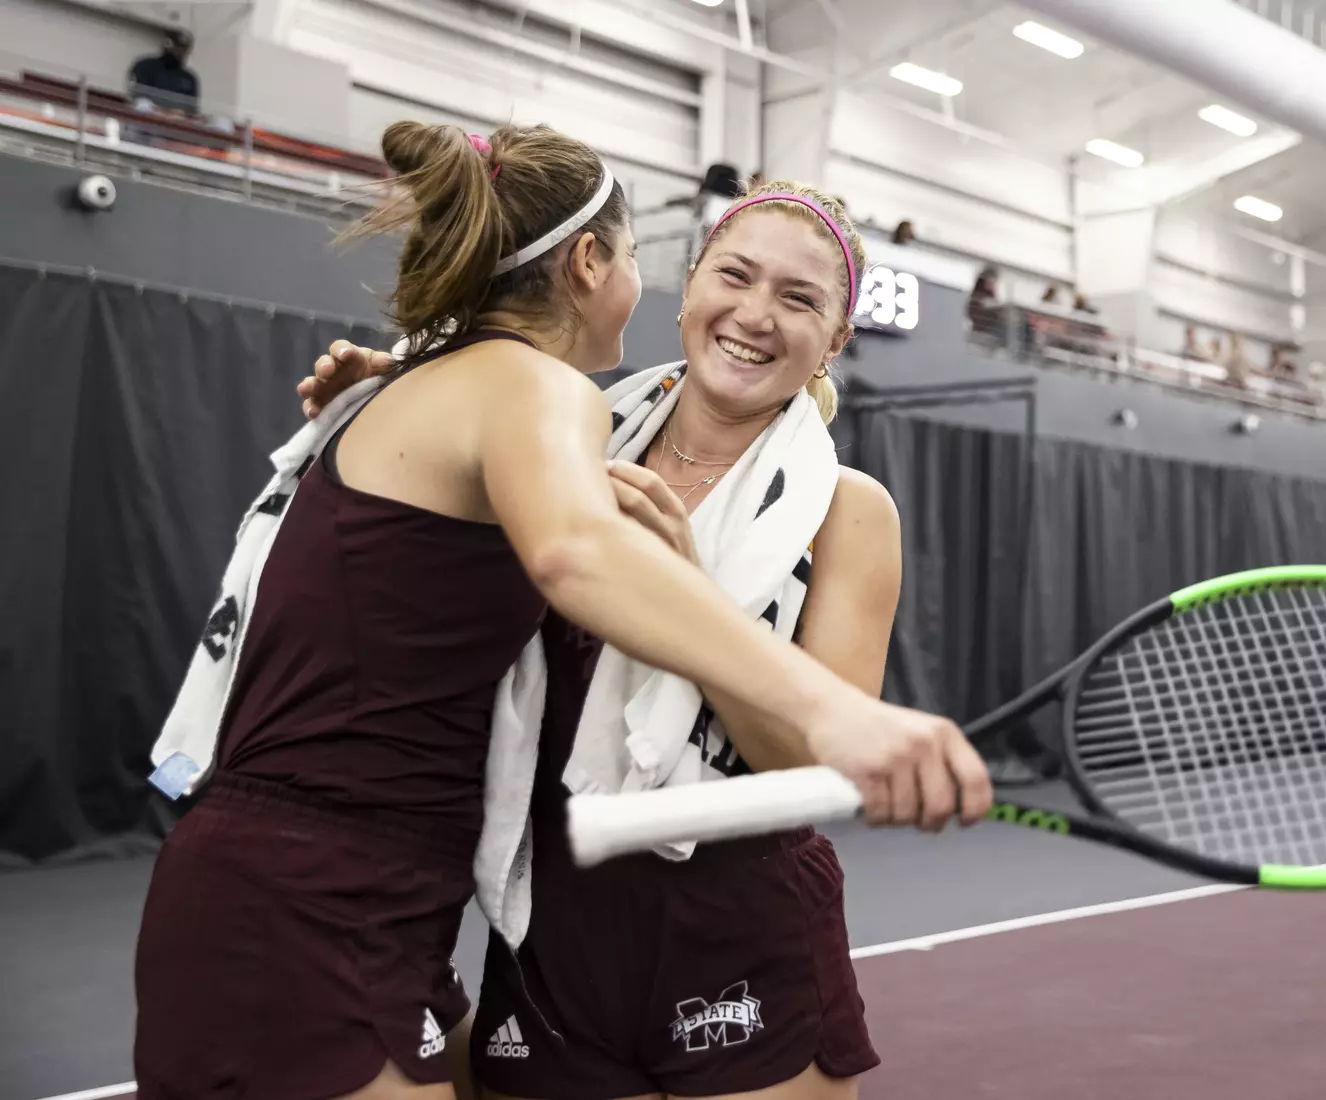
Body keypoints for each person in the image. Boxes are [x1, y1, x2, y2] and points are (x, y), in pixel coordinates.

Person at [136, 125, 990, 1100]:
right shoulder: (555, 434)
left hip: (733, 917)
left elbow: (812, 776)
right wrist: (392, 388)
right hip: (546, 924)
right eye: (736, 275)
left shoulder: (846, 508)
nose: (756, 313)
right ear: (686, 283)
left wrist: (696, 607)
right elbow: (513, 527)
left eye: (799, 298)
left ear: (838, 337)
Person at [129, 28, 200, 115]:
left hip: (175, 120)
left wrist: (173, 114)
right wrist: (159, 110)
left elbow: (191, 109)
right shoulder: (145, 66)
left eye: (183, 49)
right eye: (176, 47)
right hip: (147, 117)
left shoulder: (189, 78)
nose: (179, 52)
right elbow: (136, 96)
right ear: (167, 45)